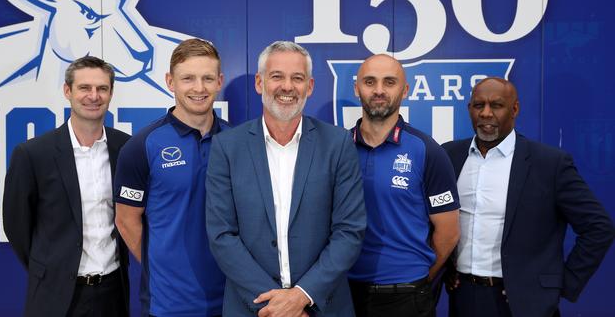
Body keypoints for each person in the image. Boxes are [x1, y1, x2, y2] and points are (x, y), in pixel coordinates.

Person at [205, 41, 366, 316]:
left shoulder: (337, 144)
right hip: (253, 308)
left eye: (297, 78)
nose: (287, 87)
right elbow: (222, 235)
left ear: (310, 86)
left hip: (321, 307)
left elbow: (349, 231)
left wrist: (302, 297)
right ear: (259, 82)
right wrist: (278, 306)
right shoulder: (226, 147)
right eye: (277, 76)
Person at [442, 77, 615, 317]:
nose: (486, 113)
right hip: (462, 297)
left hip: (524, 303)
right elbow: (437, 221)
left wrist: (560, 284)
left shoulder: (550, 163)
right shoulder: (449, 155)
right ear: (469, 109)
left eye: (497, 105)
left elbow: (599, 227)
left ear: (515, 109)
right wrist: (446, 267)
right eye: (479, 105)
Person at [3, 56, 131, 317]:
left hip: (113, 292)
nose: (93, 96)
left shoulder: (127, 148)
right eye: (84, 88)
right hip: (54, 294)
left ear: (110, 93)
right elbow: (17, 226)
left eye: (102, 88)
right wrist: (51, 268)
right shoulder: (32, 153)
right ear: (67, 91)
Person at [114, 38, 228, 316]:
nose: (199, 88)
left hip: (231, 301)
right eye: (188, 78)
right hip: (168, 305)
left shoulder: (236, 142)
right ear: (170, 81)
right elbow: (126, 219)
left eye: (207, 78)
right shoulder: (143, 145)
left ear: (219, 81)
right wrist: (164, 266)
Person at [347, 54, 460, 317]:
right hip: (345, 294)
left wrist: (416, 278)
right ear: (356, 88)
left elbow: (449, 232)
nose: (378, 90)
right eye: (369, 81)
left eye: (389, 82)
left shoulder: (427, 150)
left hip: (406, 297)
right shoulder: (338, 148)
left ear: (405, 90)